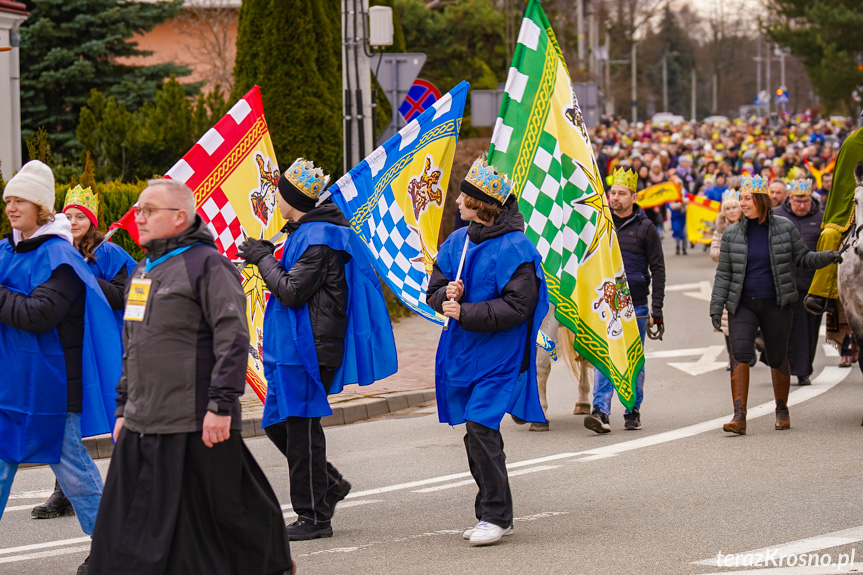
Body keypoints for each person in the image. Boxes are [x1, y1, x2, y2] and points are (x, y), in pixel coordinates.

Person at [88, 179, 293, 575]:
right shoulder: (144, 269)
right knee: (127, 526)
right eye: (138, 209)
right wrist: (122, 406)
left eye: (149, 210)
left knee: (230, 515)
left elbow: (232, 337)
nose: (139, 218)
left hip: (197, 420)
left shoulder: (208, 264)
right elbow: (133, 345)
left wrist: (220, 405)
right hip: (142, 420)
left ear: (179, 217)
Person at [237, 158, 397, 542]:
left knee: (302, 429)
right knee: (279, 423)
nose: (275, 200)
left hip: (309, 347)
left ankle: (313, 517)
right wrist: (265, 253)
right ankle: (329, 484)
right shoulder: (304, 232)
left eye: (280, 194)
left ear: (293, 198)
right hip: (295, 346)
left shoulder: (320, 237)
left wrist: (262, 259)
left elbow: (291, 292)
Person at [0, 161, 122, 575]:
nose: (11, 207)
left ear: (41, 207)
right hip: (9, 383)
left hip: (51, 386)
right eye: (8, 200)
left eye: (20, 200)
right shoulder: (4, 250)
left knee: (74, 471)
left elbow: (39, 315)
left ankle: (114, 548)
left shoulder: (62, 258)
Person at [427, 156, 547, 547]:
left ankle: (495, 515)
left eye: (464, 198)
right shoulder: (457, 241)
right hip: (463, 350)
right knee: (474, 433)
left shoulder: (516, 247)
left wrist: (466, 311)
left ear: (482, 205)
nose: (457, 202)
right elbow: (435, 289)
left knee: (480, 425)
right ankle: (494, 512)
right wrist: (447, 294)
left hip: (500, 354)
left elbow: (519, 307)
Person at [32, 184, 137, 521]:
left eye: (81, 217)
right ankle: (63, 492)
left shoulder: (109, 254)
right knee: (66, 421)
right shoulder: (53, 250)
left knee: (121, 415)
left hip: (105, 347)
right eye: (69, 216)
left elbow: (126, 296)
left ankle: (134, 489)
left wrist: (87, 273)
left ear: (92, 222)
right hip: (67, 346)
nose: (74, 221)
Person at [709, 175, 840, 435]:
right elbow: (724, 273)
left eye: (747, 199)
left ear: (761, 201)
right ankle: (739, 416)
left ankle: (782, 409)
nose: (742, 204)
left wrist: (828, 257)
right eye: (741, 199)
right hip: (743, 304)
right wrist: (716, 306)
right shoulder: (733, 233)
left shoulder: (784, 227)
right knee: (741, 352)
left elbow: (803, 257)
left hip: (777, 303)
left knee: (778, 356)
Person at [584, 168, 665, 433]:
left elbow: (658, 268)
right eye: (613, 193)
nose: (615, 198)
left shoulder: (646, 228)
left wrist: (657, 309)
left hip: (637, 304)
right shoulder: (601, 224)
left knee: (632, 359)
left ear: (634, 196)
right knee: (604, 355)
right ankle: (601, 411)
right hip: (606, 302)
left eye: (621, 193)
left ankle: (632, 409)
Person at [805, 127, 863, 314]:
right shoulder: (852, 143)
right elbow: (844, 183)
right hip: (854, 205)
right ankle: (821, 294)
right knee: (829, 235)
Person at [773, 179, 824, 385]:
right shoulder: (776, 215)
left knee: (808, 331)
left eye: (805, 201)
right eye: (797, 201)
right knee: (782, 328)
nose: (801, 206)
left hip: (812, 286)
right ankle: (782, 366)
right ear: (789, 198)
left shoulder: (822, 218)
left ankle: (803, 370)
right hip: (783, 283)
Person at [710, 192, 743, 370]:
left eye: (734, 207)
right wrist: (728, 251)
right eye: (728, 208)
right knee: (726, 320)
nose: (731, 211)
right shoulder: (720, 230)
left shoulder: (747, 226)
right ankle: (733, 356)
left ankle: (749, 349)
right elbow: (713, 253)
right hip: (727, 277)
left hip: (745, 275)